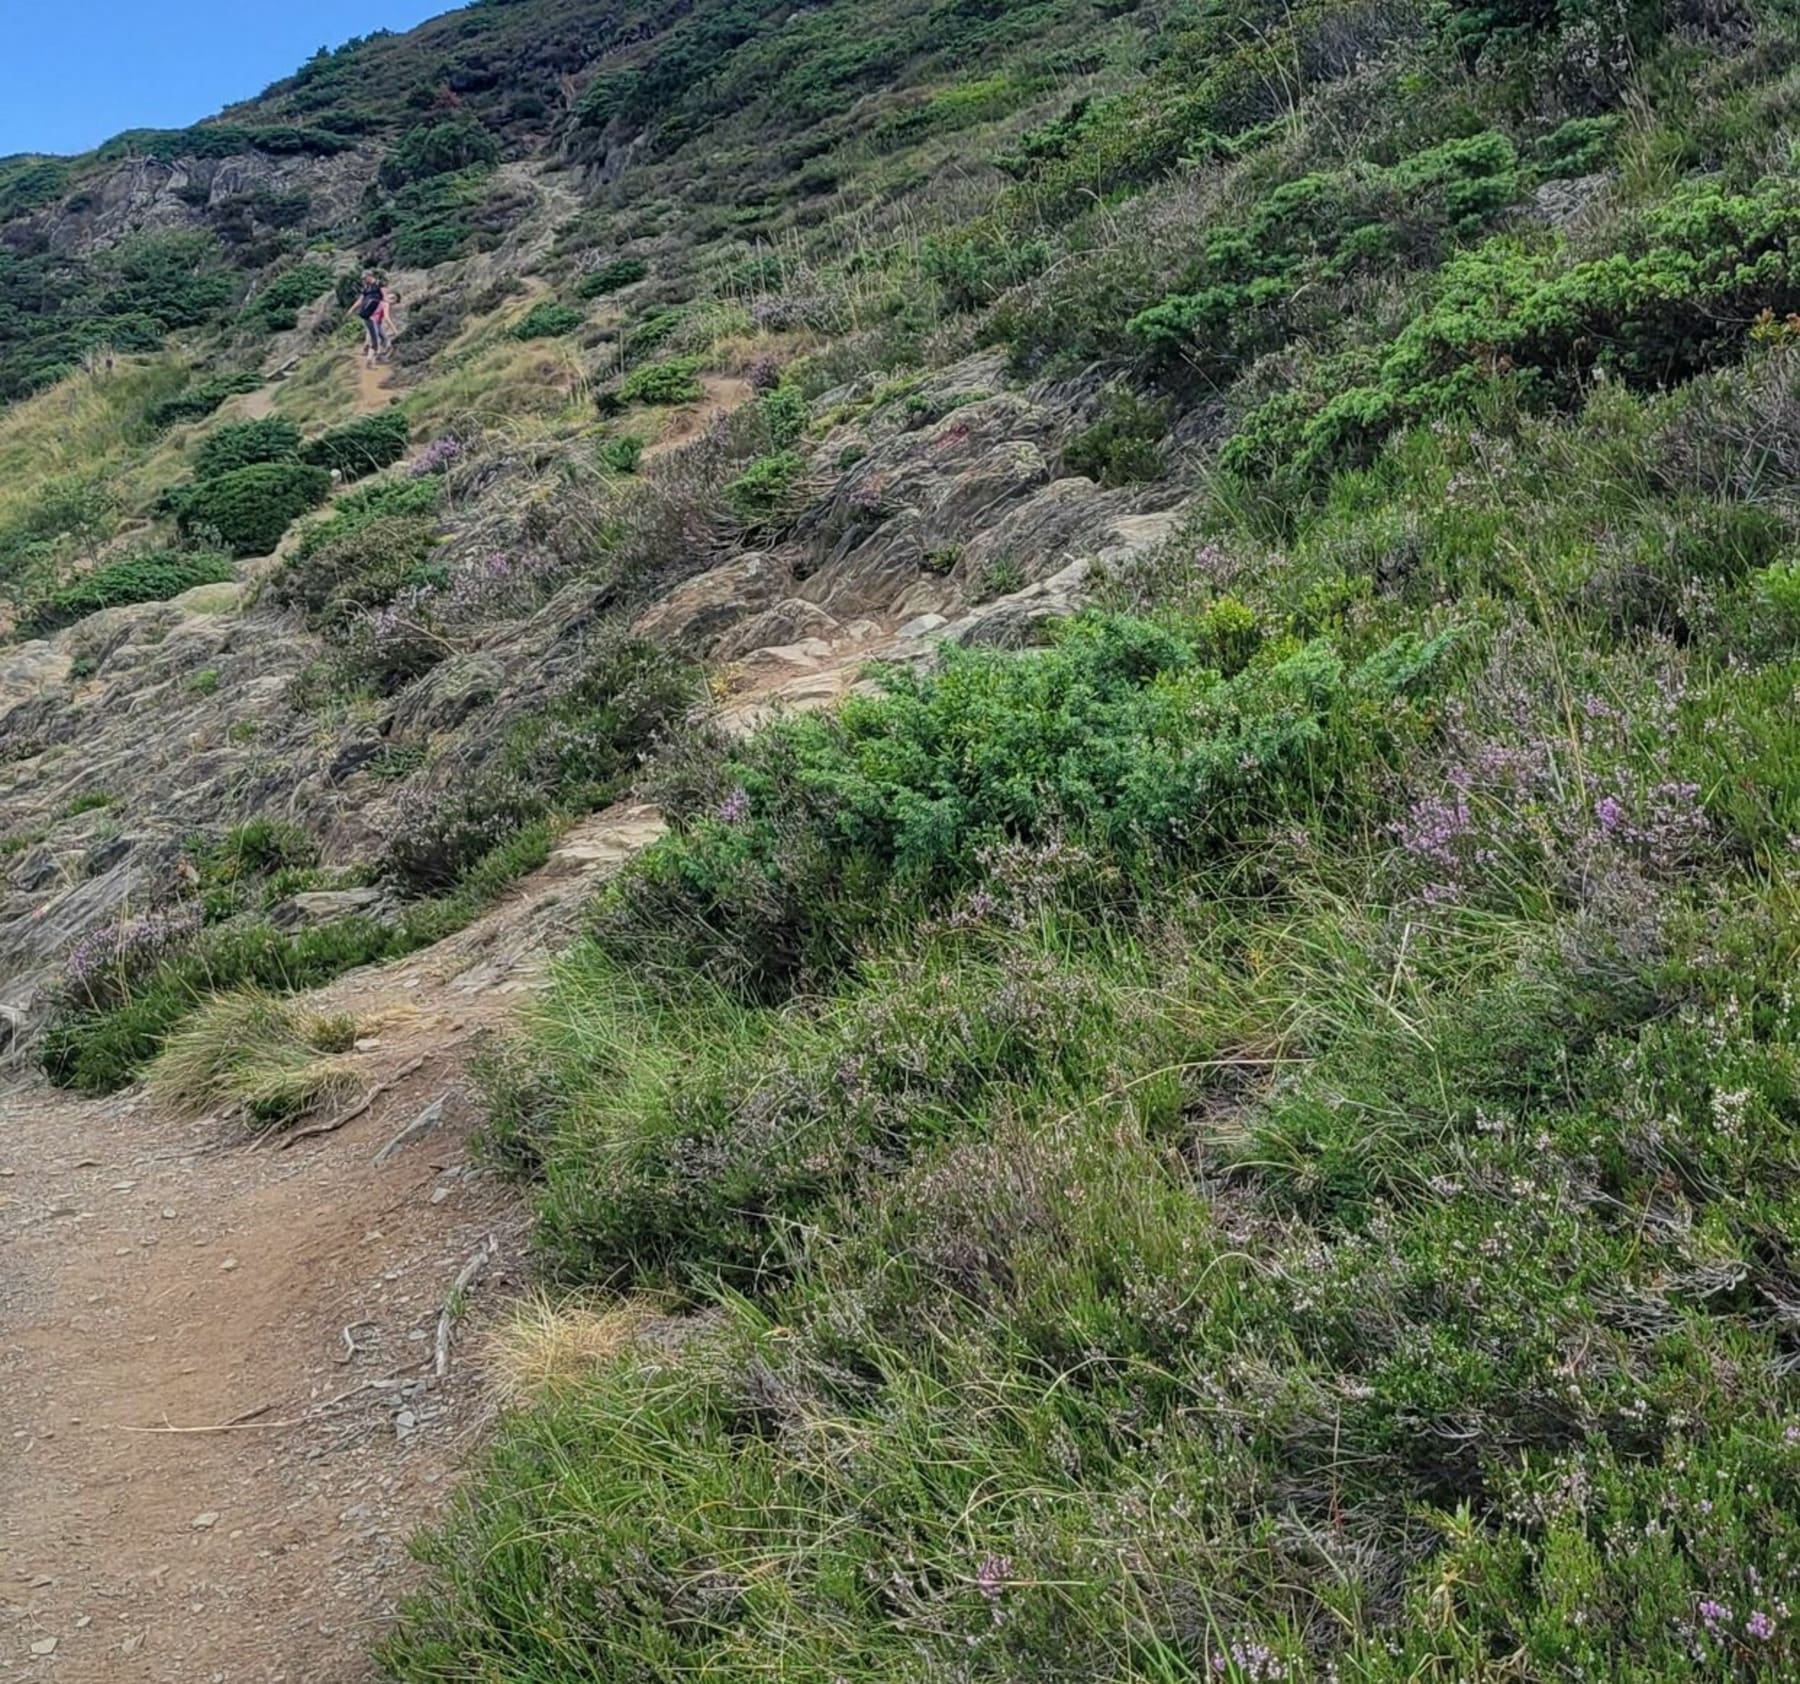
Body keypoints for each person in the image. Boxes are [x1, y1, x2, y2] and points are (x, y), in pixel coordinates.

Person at [354, 272, 386, 362]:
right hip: (371, 315)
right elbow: (360, 300)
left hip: (375, 313)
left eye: (364, 278)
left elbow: (384, 296)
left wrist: (386, 306)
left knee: (377, 336)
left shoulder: (379, 284)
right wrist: (352, 309)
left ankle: (372, 354)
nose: (363, 280)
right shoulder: (366, 288)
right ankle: (375, 357)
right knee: (380, 337)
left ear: (370, 276)